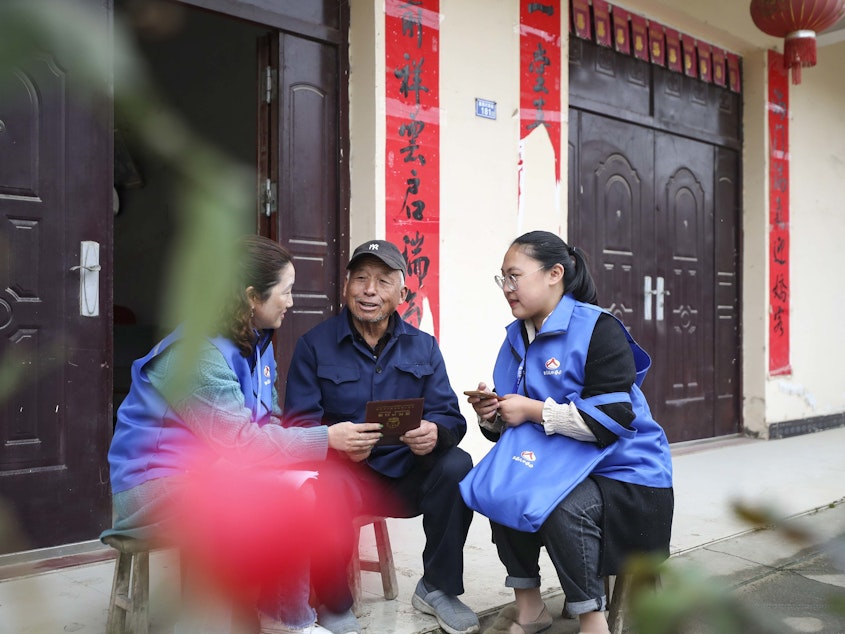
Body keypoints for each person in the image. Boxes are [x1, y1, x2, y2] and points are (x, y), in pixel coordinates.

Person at [102, 235, 381, 634]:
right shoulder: (197, 354)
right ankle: (284, 621)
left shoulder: (253, 343)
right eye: (285, 291)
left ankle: (280, 616)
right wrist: (326, 438)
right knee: (283, 496)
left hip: (208, 472)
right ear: (253, 296)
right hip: (153, 487)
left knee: (301, 487)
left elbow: (265, 423)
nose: (291, 301)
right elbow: (242, 443)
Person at [467, 230, 673, 634]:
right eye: (502, 279)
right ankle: (530, 608)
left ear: (554, 274)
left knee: (563, 503)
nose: (507, 288)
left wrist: (530, 409)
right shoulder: (515, 338)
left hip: (625, 474)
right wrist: (493, 414)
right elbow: (511, 429)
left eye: (515, 276)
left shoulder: (599, 329)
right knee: (498, 485)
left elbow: (611, 421)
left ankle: (591, 620)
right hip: (559, 464)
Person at [283, 239, 479, 634]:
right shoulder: (314, 346)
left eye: (383, 281)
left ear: (402, 293)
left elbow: (451, 418)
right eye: (360, 279)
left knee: (458, 465)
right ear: (346, 287)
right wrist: (332, 439)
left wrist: (435, 433)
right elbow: (296, 428)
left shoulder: (423, 346)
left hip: (408, 476)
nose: (369, 290)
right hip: (347, 477)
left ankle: (437, 589)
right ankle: (334, 603)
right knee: (325, 483)